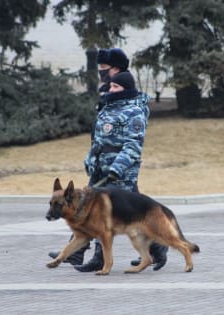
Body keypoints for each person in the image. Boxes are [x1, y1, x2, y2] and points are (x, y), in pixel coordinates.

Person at [48, 48, 168, 271]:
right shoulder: (108, 103)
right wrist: (90, 161)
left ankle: (158, 247)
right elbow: (98, 139)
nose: (106, 80)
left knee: (129, 213)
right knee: (91, 207)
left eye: (107, 72)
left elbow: (133, 145)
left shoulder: (134, 110)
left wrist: (117, 169)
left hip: (121, 172)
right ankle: (80, 253)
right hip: (101, 169)